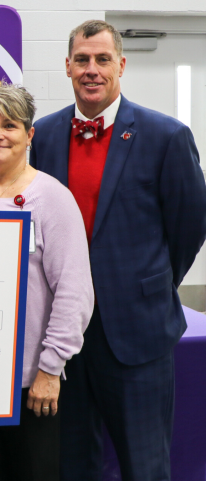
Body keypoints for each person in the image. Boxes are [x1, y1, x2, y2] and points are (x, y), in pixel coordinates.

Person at [30, 20, 206, 481]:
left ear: (121, 65)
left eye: (102, 59)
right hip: (64, 336)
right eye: (82, 59)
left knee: (144, 466)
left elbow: (189, 226)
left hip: (137, 332)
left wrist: (151, 284)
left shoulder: (166, 136)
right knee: (71, 464)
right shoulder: (42, 137)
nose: (92, 69)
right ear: (66, 66)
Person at [0, 82, 94, 481]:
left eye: (9, 125)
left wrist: (49, 369)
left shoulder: (52, 198)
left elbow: (74, 291)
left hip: (30, 380)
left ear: (28, 134)